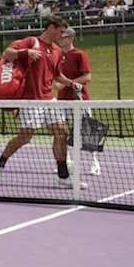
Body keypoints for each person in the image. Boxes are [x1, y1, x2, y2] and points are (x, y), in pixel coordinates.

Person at [0, 16, 85, 189]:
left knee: (61, 132)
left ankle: (63, 176)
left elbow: (57, 75)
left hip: (50, 99)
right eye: (60, 31)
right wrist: (25, 53)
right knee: (25, 137)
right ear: (50, 27)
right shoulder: (31, 41)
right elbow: (6, 54)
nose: (62, 35)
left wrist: (72, 83)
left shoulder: (56, 51)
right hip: (30, 100)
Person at [57, 27, 100, 176]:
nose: (60, 39)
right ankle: (66, 162)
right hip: (62, 101)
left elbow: (87, 77)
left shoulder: (79, 55)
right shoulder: (57, 55)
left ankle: (95, 162)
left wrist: (68, 83)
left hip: (79, 99)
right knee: (60, 132)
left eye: (63, 37)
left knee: (87, 132)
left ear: (70, 38)